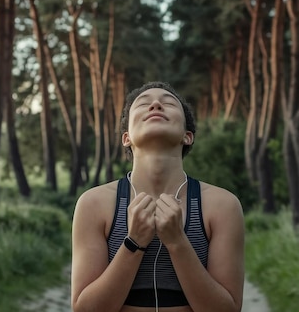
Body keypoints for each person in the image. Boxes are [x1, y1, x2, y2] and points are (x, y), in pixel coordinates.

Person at [71, 81, 245, 312]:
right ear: (126, 138)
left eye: (168, 103)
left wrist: (177, 242)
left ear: (187, 136)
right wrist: (133, 242)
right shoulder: (93, 204)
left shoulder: (223, 205)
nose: (155, 105)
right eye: (143, 104)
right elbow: (85, 310)